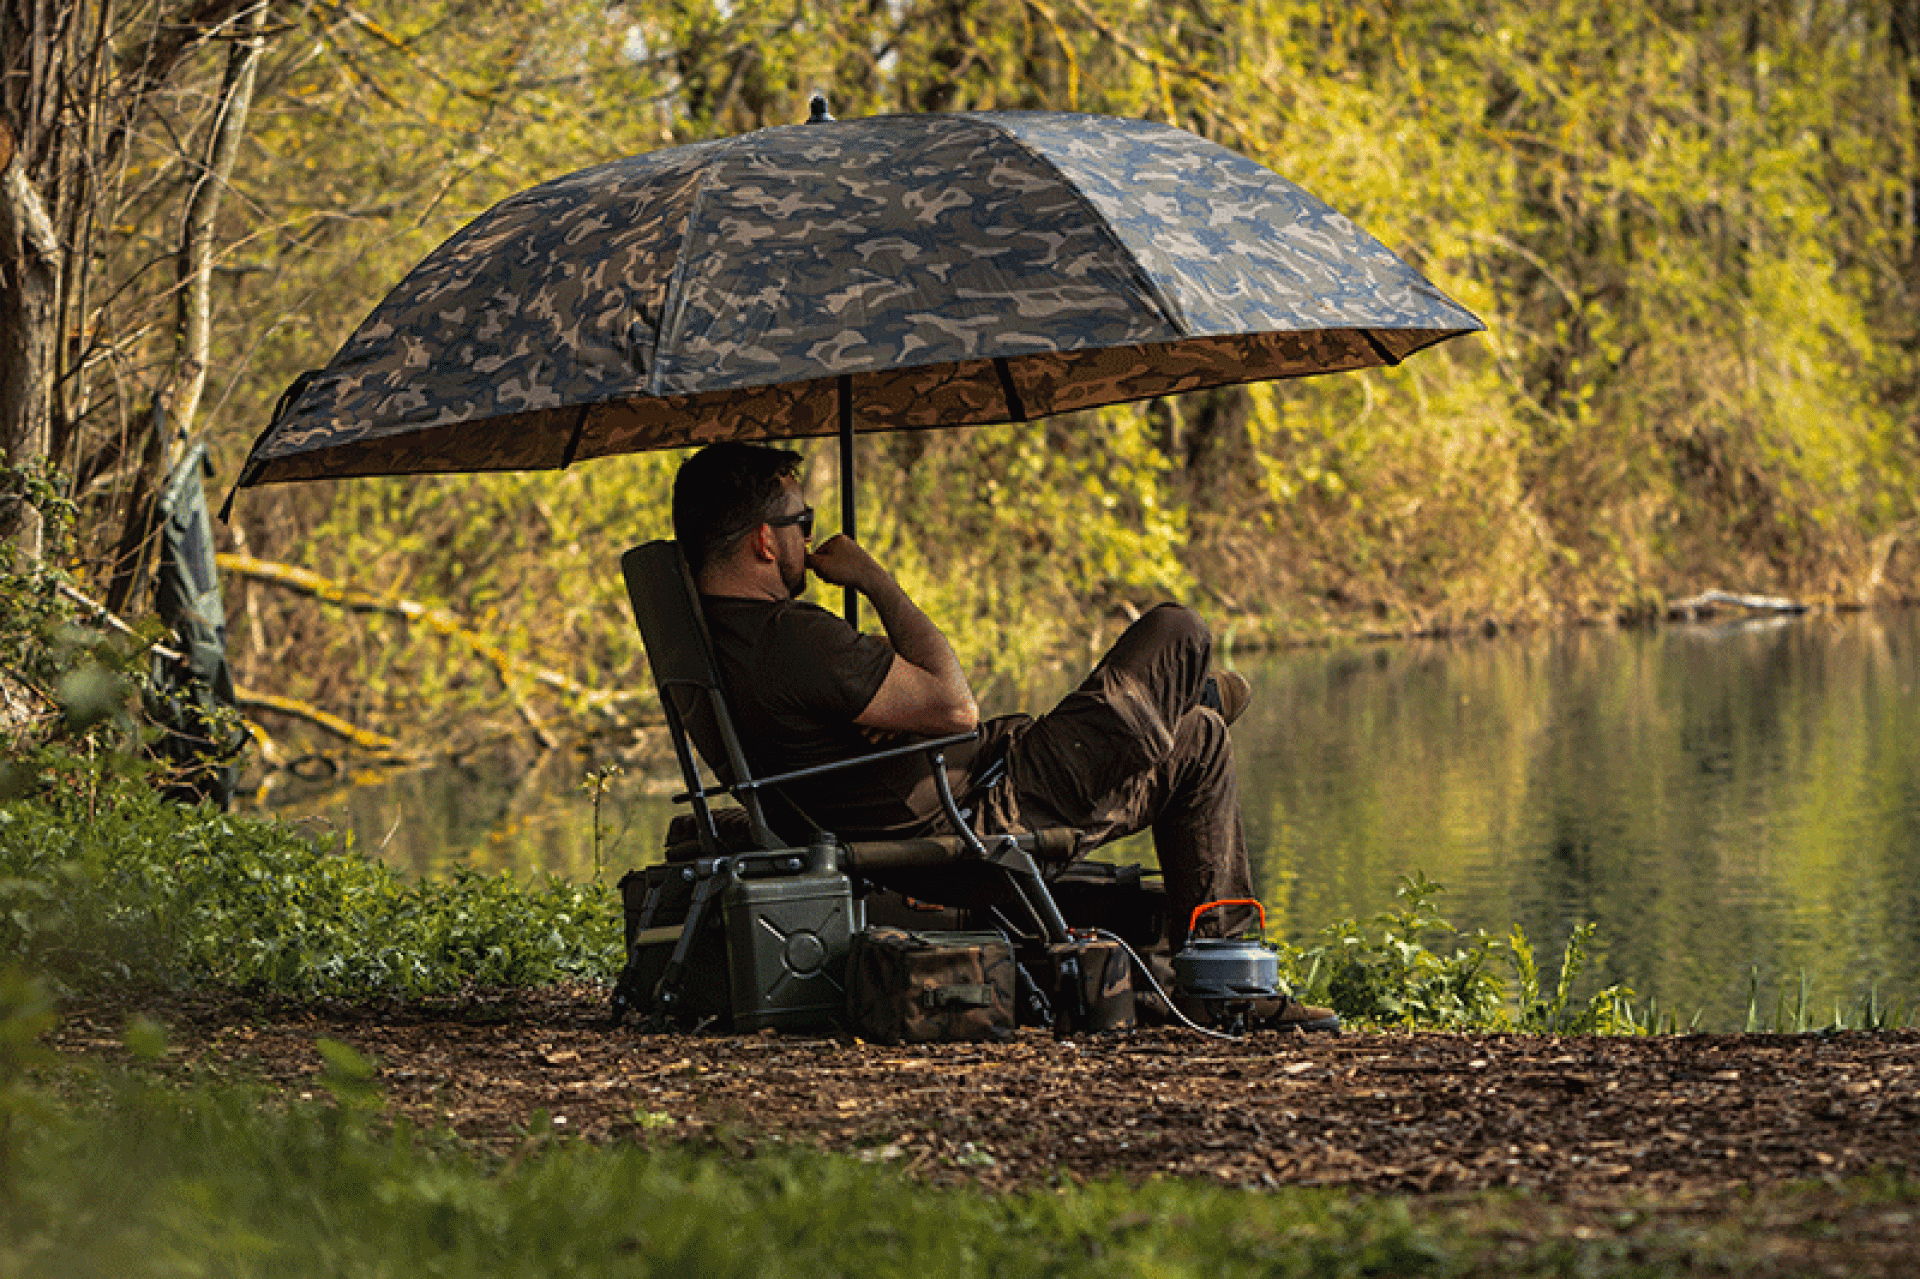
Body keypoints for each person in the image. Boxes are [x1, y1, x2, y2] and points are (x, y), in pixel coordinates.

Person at [671, 441, 1337, 1031]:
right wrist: (877, 581)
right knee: (1177, 629)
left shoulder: (712, 643)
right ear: (764, 540)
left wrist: (861, 714)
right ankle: (1187, 695)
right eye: (802, 524)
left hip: (956, 792)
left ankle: (1229, 989)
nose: (809, 539)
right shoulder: (794, 639)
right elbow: (956, 707)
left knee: (1201, 742)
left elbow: (861, 718)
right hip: (988, 810)